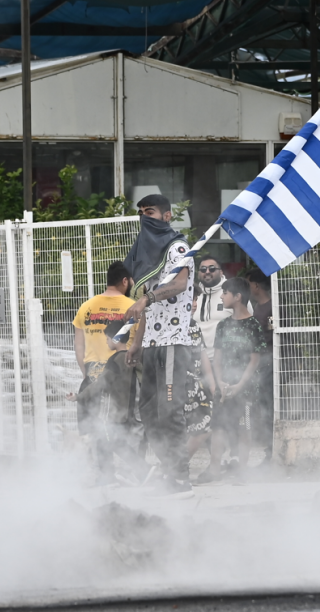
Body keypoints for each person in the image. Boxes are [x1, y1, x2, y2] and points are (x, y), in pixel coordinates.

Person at [123, 194, 196, 499]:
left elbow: (179, 284)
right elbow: (146, 309)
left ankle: (181, 478)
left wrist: (146, 298)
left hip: (172, 343)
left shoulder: (177, 248)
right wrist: (136, 344)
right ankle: (168, 471)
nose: (144, 217)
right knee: (148, 412)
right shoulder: (147, 255)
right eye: (141, 213)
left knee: (169, 410)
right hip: (151, 345)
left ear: (166, 216)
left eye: (150, 212)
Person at [67, 319, 143, 485]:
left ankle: (115, 475)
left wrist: (79, 397)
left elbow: (101, 384)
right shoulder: (131, 357)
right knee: (114, 441)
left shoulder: (115, 360)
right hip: (129, 410)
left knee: (105, 439)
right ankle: (136, 472)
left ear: (116, 339)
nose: (107, 342)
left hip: (114, 412)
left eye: (108, 338)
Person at [211, 277, 266, 480]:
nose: (222, 297)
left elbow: (254, 360)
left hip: (246, 390)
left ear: (237, 297)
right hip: (224, 388)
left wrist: (240, 385)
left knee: (244, 428)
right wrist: (220, 382)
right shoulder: (222, 325)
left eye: (225, 293)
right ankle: (214, 470)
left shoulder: (254, 325)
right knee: (218, 427)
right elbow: (217, 358)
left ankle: (242, 471)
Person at [72, 261, 134, 436]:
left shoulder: (86, 307)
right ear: (125, 281)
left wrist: (86, 373)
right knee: (119, 434)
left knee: (90, 433)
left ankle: (92, 455)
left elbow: (78, 345)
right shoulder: (133, 307)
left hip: (92, 374)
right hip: (122, 379)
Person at [184, 284, 219, 483]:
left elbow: (203, 353)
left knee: (206, 426)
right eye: (192, 299)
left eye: (196, 299)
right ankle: (176, 468)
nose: (195, 304)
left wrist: (212, 383)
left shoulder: (194, 325)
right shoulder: (173, 326)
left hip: (197, 386)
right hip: (180, 386)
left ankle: (178, 466)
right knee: (195, 428)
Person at [244, 269, 275, 461]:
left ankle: (272, 451)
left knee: (269, 407)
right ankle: (268, 449)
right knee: (263, 406)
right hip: (260, 364)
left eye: (248, 284)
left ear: (256, 286)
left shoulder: (273, 307)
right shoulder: (257, 307)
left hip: (270, 365)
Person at [195, 255, 232, 360]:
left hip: (227, 362)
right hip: (197, 361)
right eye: (203, 269)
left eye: (212, 268)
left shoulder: (233, 293)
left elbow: (248, 322)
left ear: (221, 272)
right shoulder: (191, 295)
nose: (207, 272)